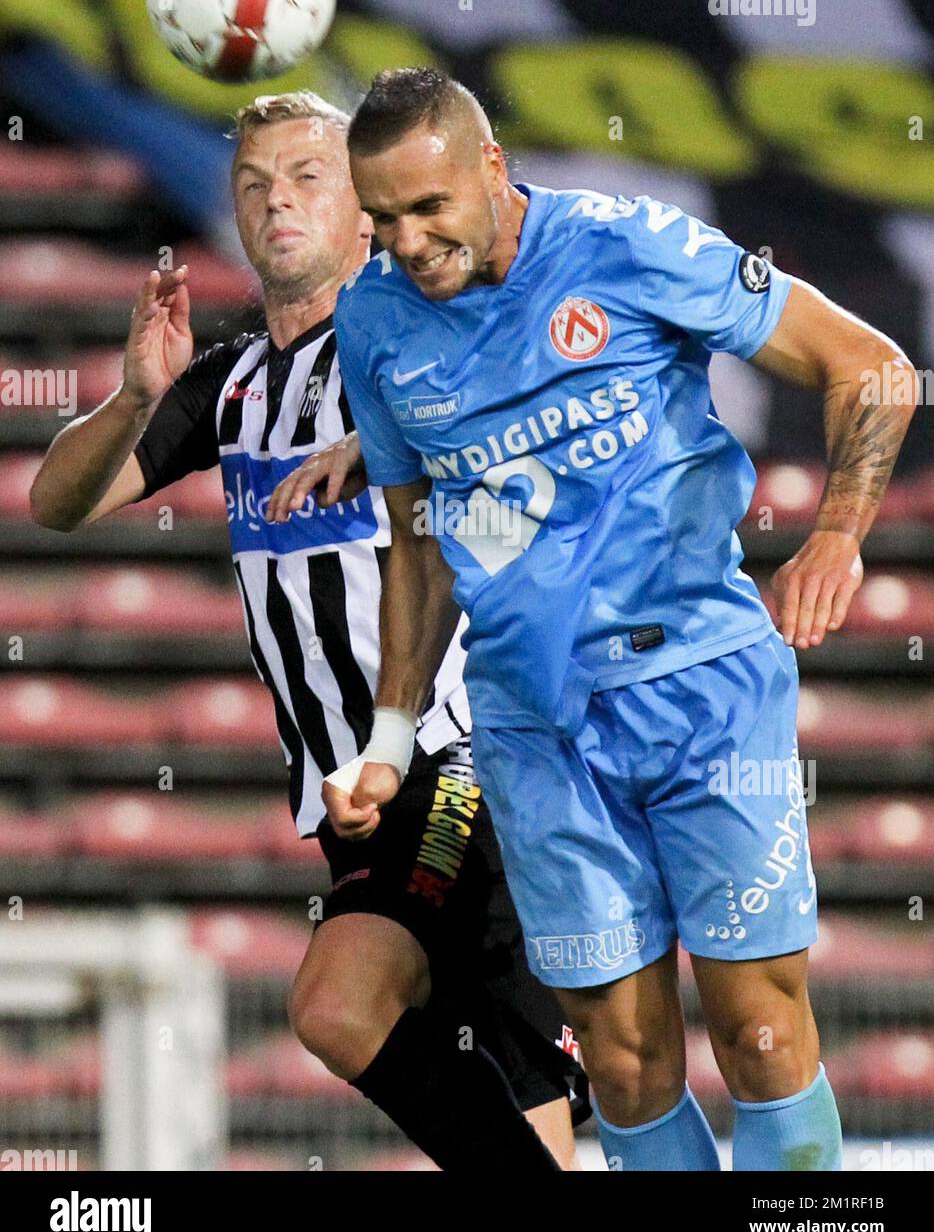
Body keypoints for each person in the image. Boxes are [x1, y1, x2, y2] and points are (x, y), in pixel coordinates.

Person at [330, 67, 917, 1172]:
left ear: (492, 170)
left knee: (754, 1027)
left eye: (428, 208)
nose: (406, 242)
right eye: (383, 218)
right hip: (535, 728)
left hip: (703, 693)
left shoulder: (627, 244)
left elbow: (871, 367)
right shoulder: (370, 323)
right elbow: (417, 541)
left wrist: (836, 532)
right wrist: (390, 738)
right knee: (622, 1056)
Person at [29, 89, 588, 1173]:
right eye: (253, 185)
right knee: (521, 1107)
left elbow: (526, 488)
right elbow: (56, 503)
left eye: (306, 178)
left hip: (461, 759)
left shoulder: (413, 347)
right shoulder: (230, 388)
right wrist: (134, 400)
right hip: (353, 801)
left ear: (362, 207)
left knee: (339, 1001)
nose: (276, 202)